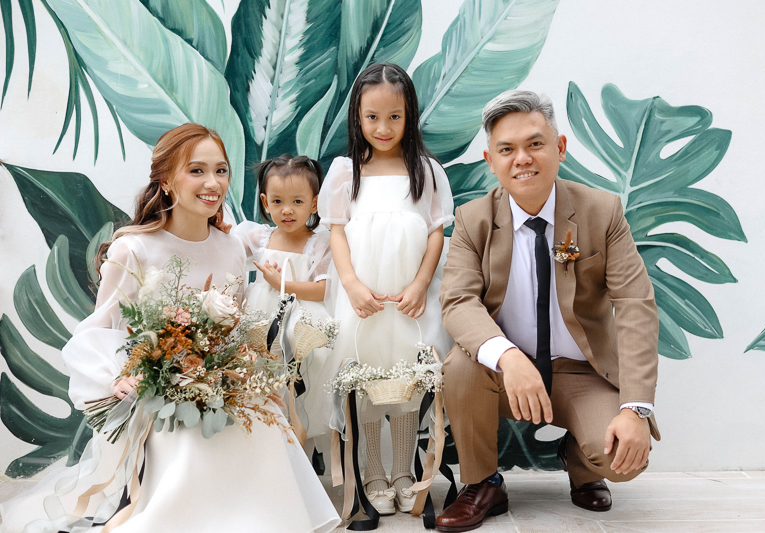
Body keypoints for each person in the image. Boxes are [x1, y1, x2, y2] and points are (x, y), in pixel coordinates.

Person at [0, 123, 339, 533]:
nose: (212, 183)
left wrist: (245, 375)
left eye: (220, 171)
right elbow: (98, 329)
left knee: (263, 421)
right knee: (187, 440)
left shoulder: (231, 248)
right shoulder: (133, 248)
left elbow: (233, 328)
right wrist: (118, 377)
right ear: (165, 180)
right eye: (196, 171)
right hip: (157, 393)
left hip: (219, 386)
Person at [435, 91, 661, 532]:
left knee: (625, 459)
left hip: (582, 373)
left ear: (559, 147)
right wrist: (508, 356)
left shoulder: (603, 212)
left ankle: (580, 461)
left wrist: (636, 409)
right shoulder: (473, 219)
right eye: (507, 149)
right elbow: (458, 301)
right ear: (491, 160)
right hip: (505, 376)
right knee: (460, 366)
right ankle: (483, 484)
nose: (522, 158)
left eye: (535, 144)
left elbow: (635, 304)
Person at [319, 63, 454, 515]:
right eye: (372, 117)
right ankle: (373, 470)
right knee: (367, 379)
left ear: (409, 115)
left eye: (394, 117)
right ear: (357, 117)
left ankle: (404, 472)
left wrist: (420, 284)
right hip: (364, 300)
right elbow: (337, 232)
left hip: (410, 299)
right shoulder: (346, 172)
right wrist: (352, 285)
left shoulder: (426, 171)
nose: (383, 127)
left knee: (410, 380)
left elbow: (436, 232)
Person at [233, 154, 337, 443]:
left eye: (297, 201)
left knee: (296, 384)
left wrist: (282, 284)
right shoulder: (259, 237)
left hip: (300, 322)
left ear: (314, 203)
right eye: (277, 201)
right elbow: (225, 248)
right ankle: (261, 443)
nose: (287, 210)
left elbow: (323, 289)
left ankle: (296, 450)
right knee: (260, 380)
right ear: (265, 202)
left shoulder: (319, 243)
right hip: (261, 319)